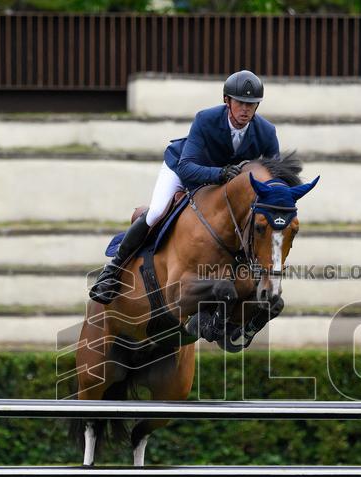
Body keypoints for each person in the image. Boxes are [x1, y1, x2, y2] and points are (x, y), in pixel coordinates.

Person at [89, 69, 281, 304]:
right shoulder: (205, 119)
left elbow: (274, 177)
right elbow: (187, 167)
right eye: (240, 103)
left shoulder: (266, 132)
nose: (245, 110)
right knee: (157, 212)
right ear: (226, 101)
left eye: (251, 104)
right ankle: (112, 271)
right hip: (183, 171)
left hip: (221, 187)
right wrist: (219, 173)